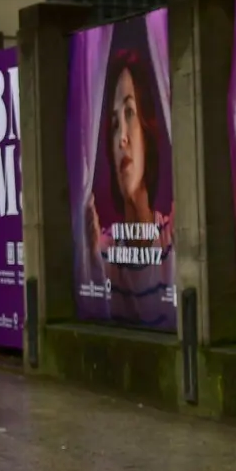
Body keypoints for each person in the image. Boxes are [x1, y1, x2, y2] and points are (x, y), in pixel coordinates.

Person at [85, 46, 173, 326]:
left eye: (130, 113)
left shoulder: (174, 241)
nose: (121, 137)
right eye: (113, 124)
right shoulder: (101, 250)